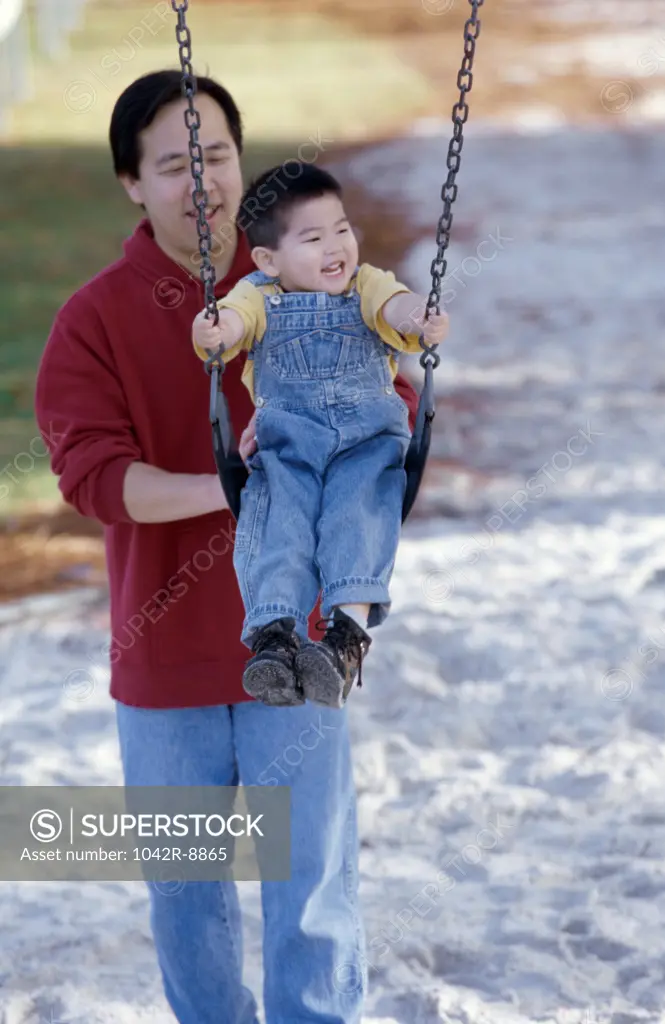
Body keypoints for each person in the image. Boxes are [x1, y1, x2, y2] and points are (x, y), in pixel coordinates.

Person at [34, 70, 421, 1024]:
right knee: (188, 895)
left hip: (299, 643)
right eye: (173, 165)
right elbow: (93, 479)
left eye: (215, 157)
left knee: (309, 890)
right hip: (163, 656)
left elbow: (384, 420)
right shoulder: (96, 316)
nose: (199, 181)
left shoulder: (317, 286)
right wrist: (238, 488)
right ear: (132, 182)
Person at [193, 164, 448, 709]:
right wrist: (215, 331)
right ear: (268, 260)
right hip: (289, 446)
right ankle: (273, 637)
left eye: (342, 228)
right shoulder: (256, 295)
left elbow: (396, 306)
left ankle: (344, 640)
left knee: (358, 517)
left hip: (367, 443)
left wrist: (418, 316)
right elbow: (233, 322)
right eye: (313, 238)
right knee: (275, 521)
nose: (336, 246)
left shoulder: (366, 286)